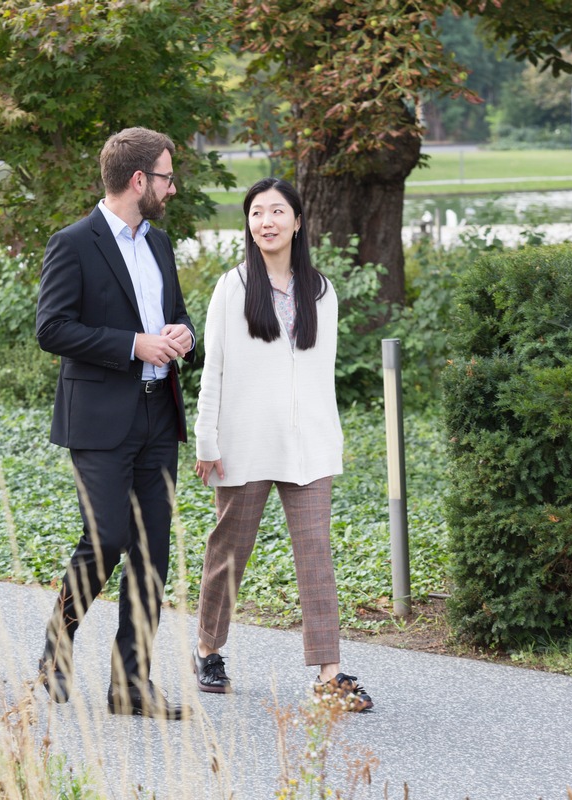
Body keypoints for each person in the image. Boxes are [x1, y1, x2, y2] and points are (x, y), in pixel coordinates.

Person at [191, 178, 372, 711]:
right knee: (229, 551)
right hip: (244, 443)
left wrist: (329, 435)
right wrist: (207, 438)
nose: (265, 221)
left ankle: (328, 673)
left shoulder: (321, 291)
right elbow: (215, 369)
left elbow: (322, 374)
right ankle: (207, 647)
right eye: (255, 213)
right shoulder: (232, 286)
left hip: (308, 446)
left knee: (316, 555)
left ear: (297, 221)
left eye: (276, 212)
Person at [35, 127, 195, 720]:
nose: (171, 188)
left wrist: (183, 335)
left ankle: (132, 684)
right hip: (100, 419)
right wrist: (134, 344)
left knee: (152, 550)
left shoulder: (161, 244)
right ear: (138, 181)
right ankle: (55, 651)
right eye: (167, 177)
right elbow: (51, 328)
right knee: (106, 538)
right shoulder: (74, 243)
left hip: (158, 415)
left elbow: (174, 319)